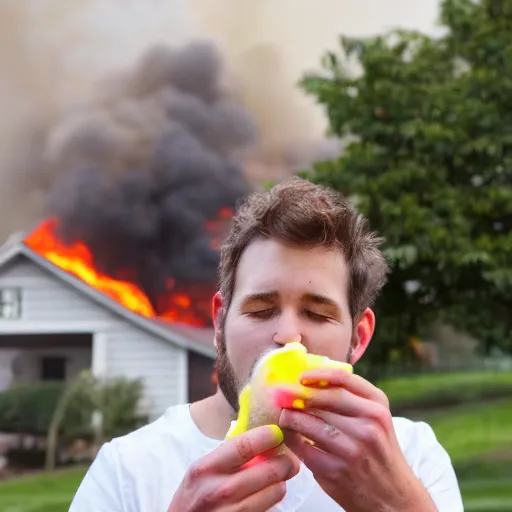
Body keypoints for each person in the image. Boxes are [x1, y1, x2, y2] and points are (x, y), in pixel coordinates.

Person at [69, 177, 463, 511]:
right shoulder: (126, 471)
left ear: (358, 337)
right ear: (220, 322)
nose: (288, 336)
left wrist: (399, 502)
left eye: (316, 314)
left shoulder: (411, 455)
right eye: (260, 310)